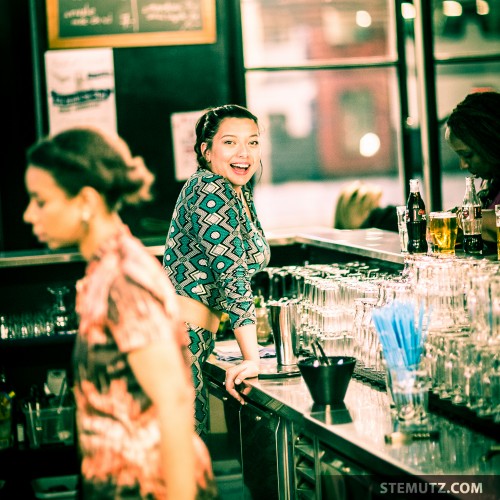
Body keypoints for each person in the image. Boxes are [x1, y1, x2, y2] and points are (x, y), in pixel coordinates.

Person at [23, 126, 215, 499]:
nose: (29, 214)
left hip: (146, 487)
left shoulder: (123, 280)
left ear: (86, 202)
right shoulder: (105, 270)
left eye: (41, 200)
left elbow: (174, 398)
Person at [163, 104, 271, 439]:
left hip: (192, 338)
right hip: (177, 341)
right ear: (205, 151)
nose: (244, 153)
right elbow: (231, 275)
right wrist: (251, 358)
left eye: (252, 142)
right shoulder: (209, 187)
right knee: (180, 460)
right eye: (230, 142)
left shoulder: (237, 192)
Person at [445, 90, 500, 245]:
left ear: (490, 144)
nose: (463, 165)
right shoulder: (491, 181)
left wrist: (464, 218)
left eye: (467, 155)